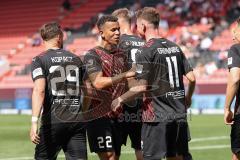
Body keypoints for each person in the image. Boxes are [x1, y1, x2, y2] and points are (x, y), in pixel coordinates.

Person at [111, 7, 196, 160]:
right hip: (179, 115)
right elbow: (192, 78)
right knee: (177, 157)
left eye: (137, 25)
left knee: (150, 157)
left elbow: (141, 87)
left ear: (143, 25)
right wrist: (188, 98)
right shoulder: (174, 46)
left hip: (156, 117)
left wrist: (120, 99)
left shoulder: (147, 50)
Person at [29, 22, 87, 160]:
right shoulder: (76, 59)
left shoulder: (39, 60)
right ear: (59, 37)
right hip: (76, 121)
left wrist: (34, 122)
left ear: (43, 39)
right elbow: (88, 89)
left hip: (54, 121)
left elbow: (39, 90)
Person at [83, 15, 135, 160]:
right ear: (102, 34)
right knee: (109, 156)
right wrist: (125, 75)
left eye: (118, 29)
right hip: (99, 116)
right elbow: (98, 82)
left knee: (116, 156)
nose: (117, 33)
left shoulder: (122, 55)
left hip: (118, 116)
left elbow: (126, 84)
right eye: (113, 30)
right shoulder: (92, 55)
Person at [112, 8, 145, 160]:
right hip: (141, 101)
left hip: (122, 101)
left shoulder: (117, 43)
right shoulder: (144, 43)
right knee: (140, 147)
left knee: (114, 151)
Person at [224, 18, 240, 160]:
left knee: (237, 153)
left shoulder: (236, 49)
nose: (233, 34)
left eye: (235, 30)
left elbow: (235, 79)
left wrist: (227, 108)